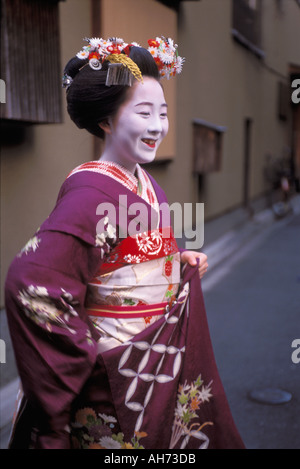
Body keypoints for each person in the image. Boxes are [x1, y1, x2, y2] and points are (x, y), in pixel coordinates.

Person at [5, 37, 244, 449]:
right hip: (113, 378)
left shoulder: (144, 183)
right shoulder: (90, 194)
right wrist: (86, 359)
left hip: (150, 367)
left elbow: (132, 253)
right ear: (107, 121)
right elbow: (32, 282)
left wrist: (177, 259)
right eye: (144, 112)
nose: (158, 126)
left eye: (163, 113)